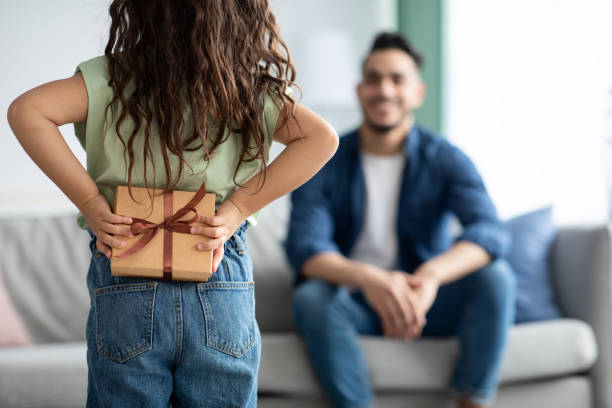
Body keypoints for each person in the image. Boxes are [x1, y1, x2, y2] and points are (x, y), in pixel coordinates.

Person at [7, 1, 338, 406]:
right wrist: (235, 211)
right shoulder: (243, 87)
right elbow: (322, 138)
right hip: (218, 262)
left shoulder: (110, 77)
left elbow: (27, 111)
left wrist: (93, 204)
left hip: (127, 256)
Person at [285, 32, 515, 408]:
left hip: (425, 302)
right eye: (373, 79)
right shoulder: (324, 161)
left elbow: (490, 232)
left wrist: (430, 277)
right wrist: (370, 279)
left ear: (418, 93)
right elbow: (306, 249)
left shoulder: (445, 158)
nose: (384, 90)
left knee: (496, 277)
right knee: (311, 298)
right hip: (357, 303)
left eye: (397, 79)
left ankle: (472, 400)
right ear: (359, 90)